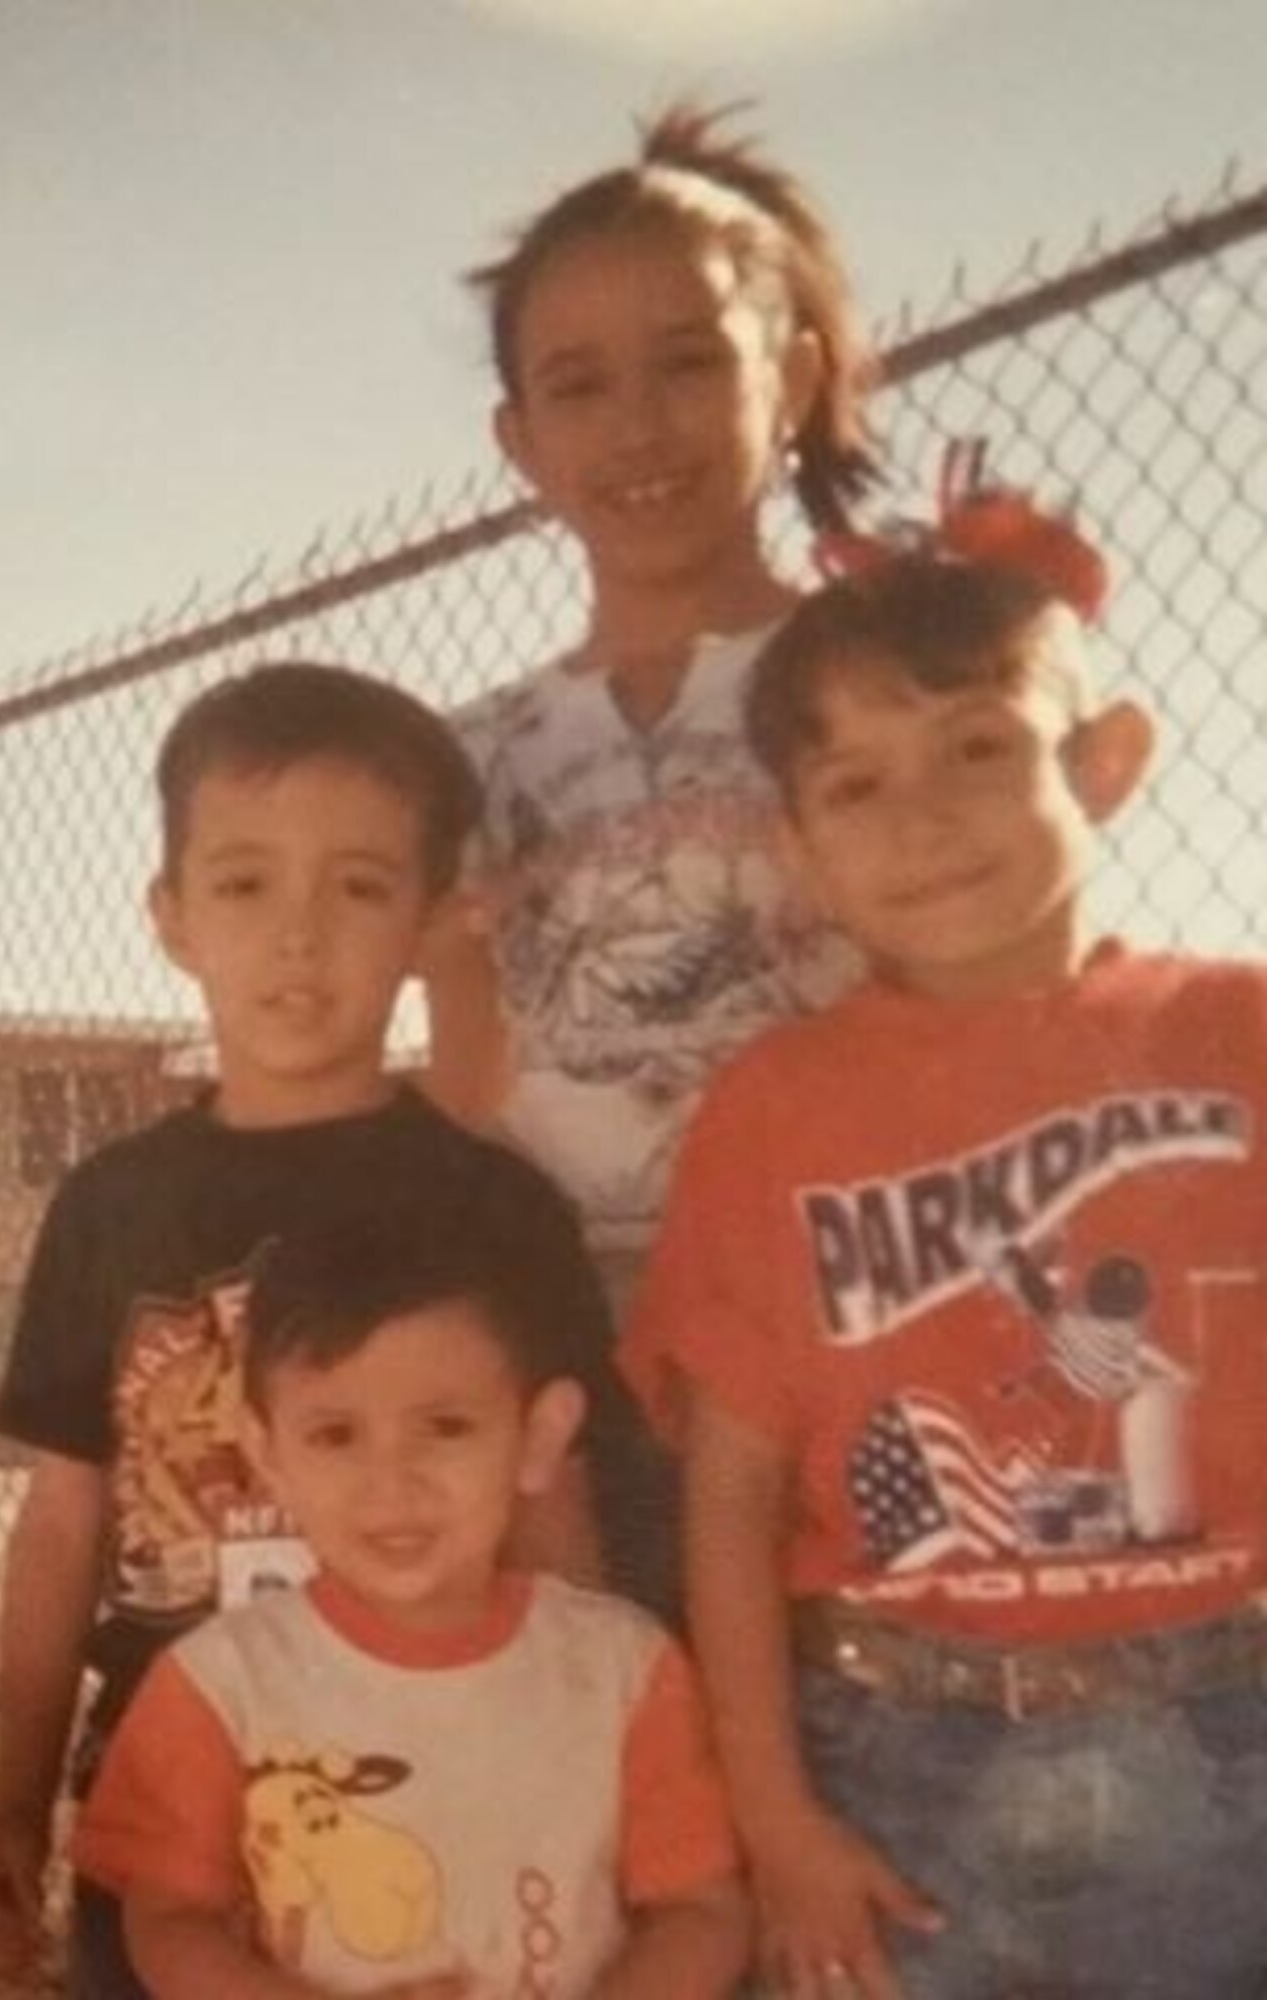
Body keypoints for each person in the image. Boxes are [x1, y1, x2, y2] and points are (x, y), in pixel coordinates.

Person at [623, 501, 1267, 1997]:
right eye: (855, 783)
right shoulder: (773, 1111)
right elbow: (730, 1494)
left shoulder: (1236, 1032)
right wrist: (776, 1821)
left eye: (978, 748)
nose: (920, 818)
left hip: (1231, 1726)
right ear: (797, 846)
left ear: (1103, 763)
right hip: (899, 1759)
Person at [0, 661, 624, 1998]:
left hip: (434, 1785)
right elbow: (60, 1525)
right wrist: (18, 1804)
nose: (299, 936)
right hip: (172, 1801)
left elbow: (558, 1530)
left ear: (435, 918)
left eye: (359, 887)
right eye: (247, 881)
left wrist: (586, 1789)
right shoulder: (112, 1204)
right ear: (173, 916)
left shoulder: (491, 1204)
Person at [74, 1198, 749, 1999]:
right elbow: (168, 1921)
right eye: (335, 1435)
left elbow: (701, 1912)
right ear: (266, 1453)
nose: (391, 1483)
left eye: (445, 1427)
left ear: (537, 1436)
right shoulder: (220, 1684)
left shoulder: (624, 1671)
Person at [426, 98, 874, 1283]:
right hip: (558, 1324)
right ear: (517, 441)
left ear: (787, 382)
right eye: (576, 386)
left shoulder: (890, 688)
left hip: (838, 1295)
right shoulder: (464, 759)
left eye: (688, 363)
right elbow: (468, 1084)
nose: (635, 425)